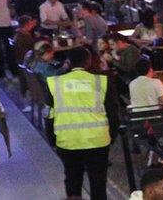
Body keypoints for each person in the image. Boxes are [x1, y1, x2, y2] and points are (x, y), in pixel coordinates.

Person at [48, 47, 119, 200]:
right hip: (97, 140)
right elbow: (113, 112)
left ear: (68, 62)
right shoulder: (101, 81)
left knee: (72, 180)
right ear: (88, 61)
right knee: (98, 182)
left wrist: (52, 138)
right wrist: (111, 135)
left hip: (68, 140)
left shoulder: (55, 83)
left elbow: (49, 114)